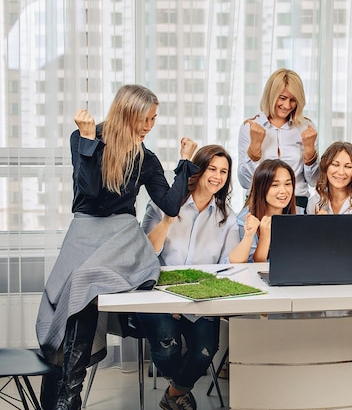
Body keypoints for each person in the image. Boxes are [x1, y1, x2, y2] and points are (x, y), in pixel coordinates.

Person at [36, 84, 198, 410]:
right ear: (128, 113)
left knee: (82, 283)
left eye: (154, 119)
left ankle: (68, 400)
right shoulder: (84, 138)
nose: (150, 127)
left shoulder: (146, 159)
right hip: (85, 231)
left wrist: (184, 163)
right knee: (70, 296)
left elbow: (169, 205)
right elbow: (89, 192)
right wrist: (87, 142)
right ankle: (66, 397)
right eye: (146, 119)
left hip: (122, 238)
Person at [137, 145, 239, 410]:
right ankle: (180, 391)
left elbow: (227, 266)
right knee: (167, 349)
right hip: (160, 295)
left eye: (224, 171)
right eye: (212, 169)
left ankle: (175, 392)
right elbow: (146, 254)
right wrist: (168, 220)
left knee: (206, 351)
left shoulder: (227, 219)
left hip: (202, 298)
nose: (217, 176)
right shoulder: (163, 204)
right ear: (198, 169)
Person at [237, 68, 319, 210]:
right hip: (260, 202)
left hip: (297, 203)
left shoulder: (307, 128)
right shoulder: (250, 127)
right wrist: (255, 148)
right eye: (282, 98)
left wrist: (310, 152)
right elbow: (245, 182)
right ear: (271, 95)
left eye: (293, 100)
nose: (287, 106)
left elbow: (314, 181)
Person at [230, 159, 297, 263]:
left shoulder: (300, 213)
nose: (283, 191)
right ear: (261, 188)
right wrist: (265, 237)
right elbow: (254, 266)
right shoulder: (246, 219)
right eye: (275, 185)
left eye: (288, 184)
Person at [307, 141, 352, 216]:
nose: (341, 172)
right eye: (335, 165)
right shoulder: (314, 202)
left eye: (348, 166)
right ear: (325, 167)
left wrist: (326, 225)